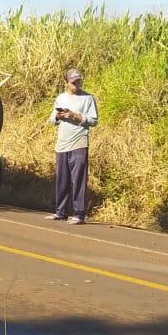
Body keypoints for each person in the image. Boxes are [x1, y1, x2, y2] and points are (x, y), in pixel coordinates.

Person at [46, 68, 99, 224]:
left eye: (78, 81)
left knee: (78, 179)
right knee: (62, 179)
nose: (77, 84)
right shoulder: (61, 98)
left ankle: (79, 213)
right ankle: (60, 211)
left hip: (79, 143)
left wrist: (74, 115)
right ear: (66, 83)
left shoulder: (88, 98)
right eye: (73, 82)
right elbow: (52, 119)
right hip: (62, 143)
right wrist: (58, 115)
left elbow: (93, 120)